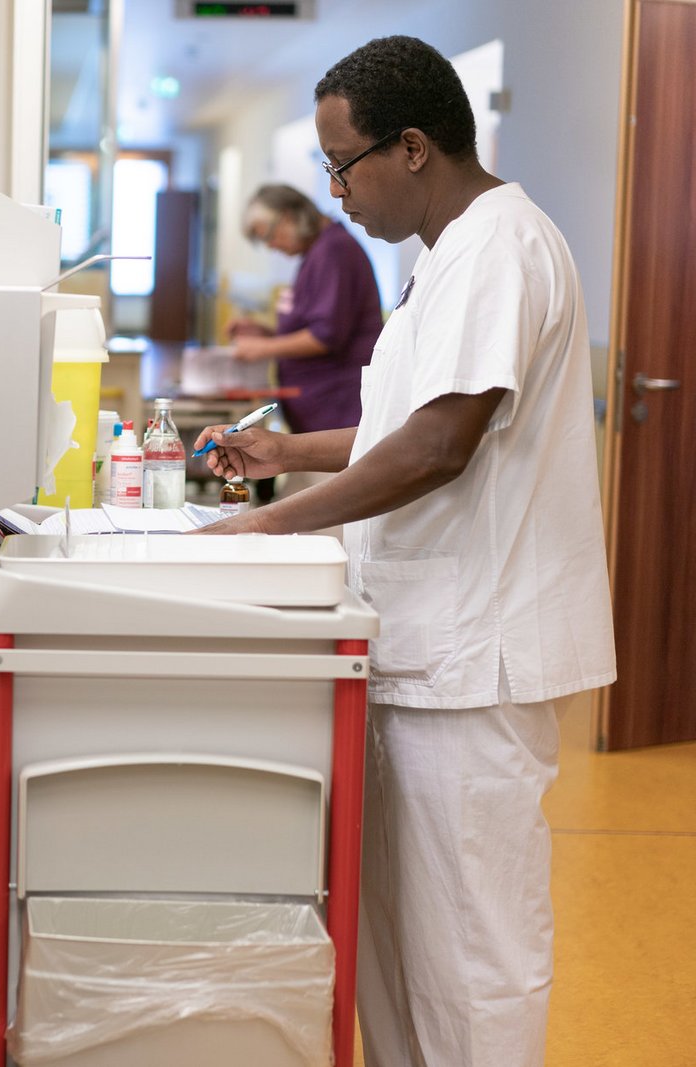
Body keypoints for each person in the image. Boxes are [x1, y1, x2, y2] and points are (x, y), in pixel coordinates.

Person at [192, 36, 615, 1067]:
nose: (334, 191)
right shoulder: (444, 262)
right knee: (396, 943)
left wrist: (269, 520)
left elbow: (439, 444)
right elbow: (401, 418)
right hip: (425, 647)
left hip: (476, 659)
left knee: (470, 954)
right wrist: (281, 451)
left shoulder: (499, 250)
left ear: (414, 147)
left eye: (344, 165)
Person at [227, 183, 382, 435]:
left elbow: (325, 336)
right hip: (315, 410)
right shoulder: (315, 254)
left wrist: (262, 348)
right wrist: (263, 333)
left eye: (268, 236)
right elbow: (310, 324)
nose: (271, 247)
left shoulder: (334, 252)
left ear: (288, 217)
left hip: (337, 409)